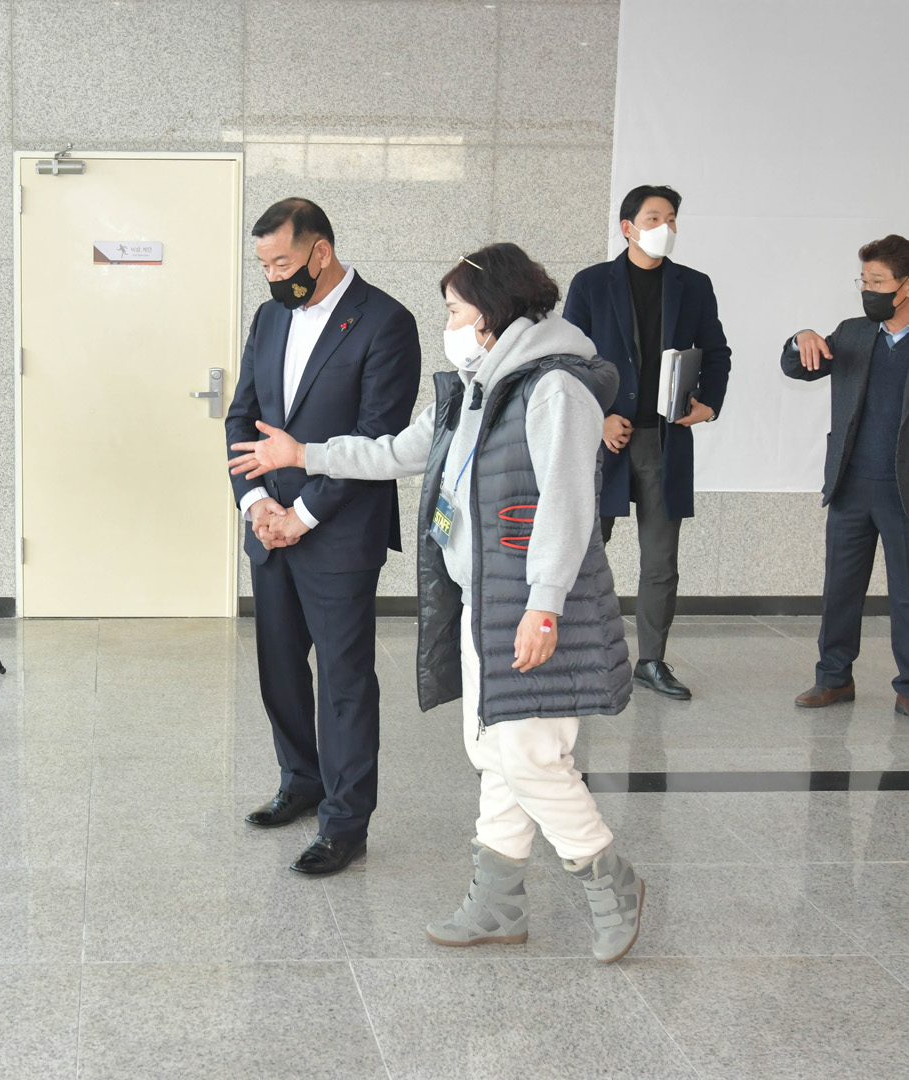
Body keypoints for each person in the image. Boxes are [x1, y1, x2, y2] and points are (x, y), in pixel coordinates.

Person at [231, 243, 644, 962]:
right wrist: (303, 455)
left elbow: (568, 506)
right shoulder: (476, 386)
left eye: (454, 311)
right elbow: (396, 451)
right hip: (484, 600)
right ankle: (497, 903)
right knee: (493, 749)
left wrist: (544, 605)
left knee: (531, 753)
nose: (447, 325)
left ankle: (610, 878)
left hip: (534, 605)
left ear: (492, 312)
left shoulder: (554, 388)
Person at [224, 198, 420, 876]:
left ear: (321, 251)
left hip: (336, 532)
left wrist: (301, 515)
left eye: (282, 263)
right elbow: (242, 418)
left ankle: (345, 822)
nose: (273, 277)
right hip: (269, 526)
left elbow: (375, 441)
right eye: (264, 266)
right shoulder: (269, 317)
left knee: (344, 682)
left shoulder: (385, 321)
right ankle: (301, 780)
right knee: (279, 668)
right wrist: (256, 505)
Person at [563, 185, 732, 701]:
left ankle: (651, 661)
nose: (667, 227)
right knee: (584, 552)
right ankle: (577, 654)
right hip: (604, 442)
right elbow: (568, 361)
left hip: (665, 441)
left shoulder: (693, 285)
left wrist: (709, 404)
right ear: (628, 227)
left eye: (673, 218)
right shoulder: (592, 283)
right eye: (655, 217)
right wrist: (598, 417)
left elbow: (717, 352)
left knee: (661, 561)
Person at [782, 235, 909, 714]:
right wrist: (801, 338)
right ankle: (833, 679)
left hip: (903, 490)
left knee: (906, 596)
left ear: (906, 286)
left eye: (878, 282)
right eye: (864, 281)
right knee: (841, 590)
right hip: (850, 485)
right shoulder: (853, 333)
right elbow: (797, 367)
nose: (868, 290)